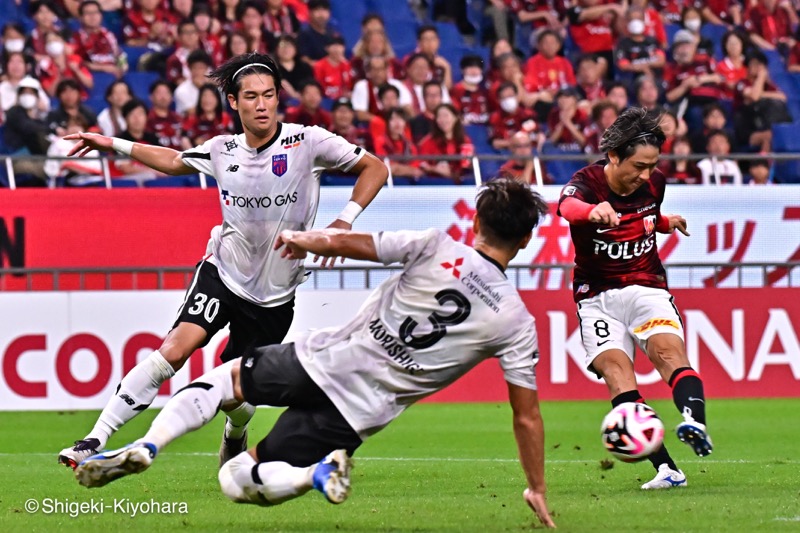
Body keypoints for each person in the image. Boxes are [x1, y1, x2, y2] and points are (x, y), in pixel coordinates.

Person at [73, 178, 557, 529]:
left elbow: (361, 245)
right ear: (525, 240)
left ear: (474, 221)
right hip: (360, 412)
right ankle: (314, 474)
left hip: (329, 359)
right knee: (238, 477)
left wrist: (306, 239)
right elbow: (527, 417)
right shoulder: (516, 322)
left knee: (226, 380)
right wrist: (535, 486)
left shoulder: (435, 245)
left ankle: (150, 445)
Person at [57, 52, 389, 469]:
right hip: (223, 271)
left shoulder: (308, 141)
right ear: (234, 102)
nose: (263, 104)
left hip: (274, 295)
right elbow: (174, 161)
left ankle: (235, 432)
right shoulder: (222, 150)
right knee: (174, 350)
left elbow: (375, 167)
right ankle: (94, 438)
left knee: (236, 389)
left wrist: (343, 222)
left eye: (269, 95)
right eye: (251, 96)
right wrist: (112, 143)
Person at [557, 107, 713, 491]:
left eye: (652, 165)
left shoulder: (654, 183)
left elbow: (645, 215)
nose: (647, 174)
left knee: (667, 353)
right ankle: (667, 470)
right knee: (616, 374)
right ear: (614, 157)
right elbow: (566, 208)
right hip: (596, 296)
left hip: (646, 285)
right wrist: (592, 210)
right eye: (639, 166)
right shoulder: (586, 184)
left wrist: (665, 222)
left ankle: (694, 420)